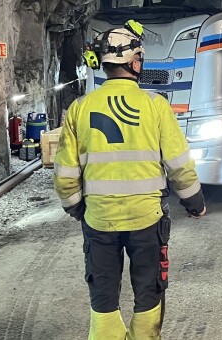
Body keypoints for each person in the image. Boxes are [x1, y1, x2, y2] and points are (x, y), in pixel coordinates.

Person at [55, 23, 207, 340]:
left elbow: (66, 173)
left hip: (99, 220)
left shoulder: (80, 108)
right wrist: (194, 202)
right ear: (135, 62)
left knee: (103, 300)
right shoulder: (155, 106)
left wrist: (76, 208)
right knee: (149, 294)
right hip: (146, 220)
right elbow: (179, 164)